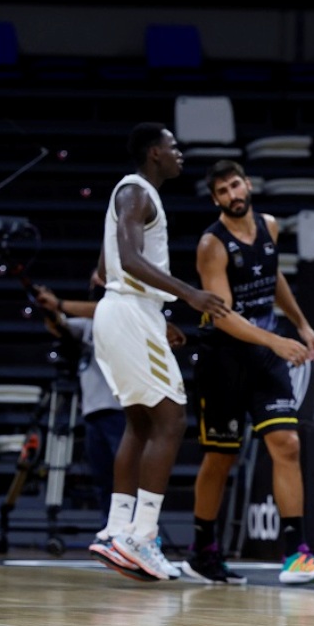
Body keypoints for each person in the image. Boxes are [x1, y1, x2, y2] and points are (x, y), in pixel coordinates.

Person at [183, 159, 314, 585]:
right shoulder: (211, 246)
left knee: (287, 444)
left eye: (235, 185)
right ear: (216, 198)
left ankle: (296, 555)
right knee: (221, 457)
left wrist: (302, 323)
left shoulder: (269, 226)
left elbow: (274, 280)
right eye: (222, 192)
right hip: (224, 358)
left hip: (264, 354)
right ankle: (202, 550)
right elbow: (220, 315)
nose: (233, 195)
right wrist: (276, 341)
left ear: (248, 184)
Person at [88, 122, 230, 582]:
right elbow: (127, 260)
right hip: (129, 312)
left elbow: (104, 267)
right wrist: (188, 295)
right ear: (154, 153)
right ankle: (142, 535)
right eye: (173, 148)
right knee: (171, 419)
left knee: (141, 420)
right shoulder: (137, 192)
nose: (179, 155)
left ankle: (116, 529)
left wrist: (156, 312)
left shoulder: (130, 195)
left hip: (123, 309)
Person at [34, 271, 126, 516]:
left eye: (100, 279)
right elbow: (59, 327)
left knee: (124, 476)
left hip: (120, 409)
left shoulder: (120, 313)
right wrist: (48, 308)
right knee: (103, 477)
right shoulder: (87, 325)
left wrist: (59, 304)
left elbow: (98, 310)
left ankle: (133, 529)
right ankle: (109, 528)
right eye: (92, 279)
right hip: (94, 410)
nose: (94, 282)